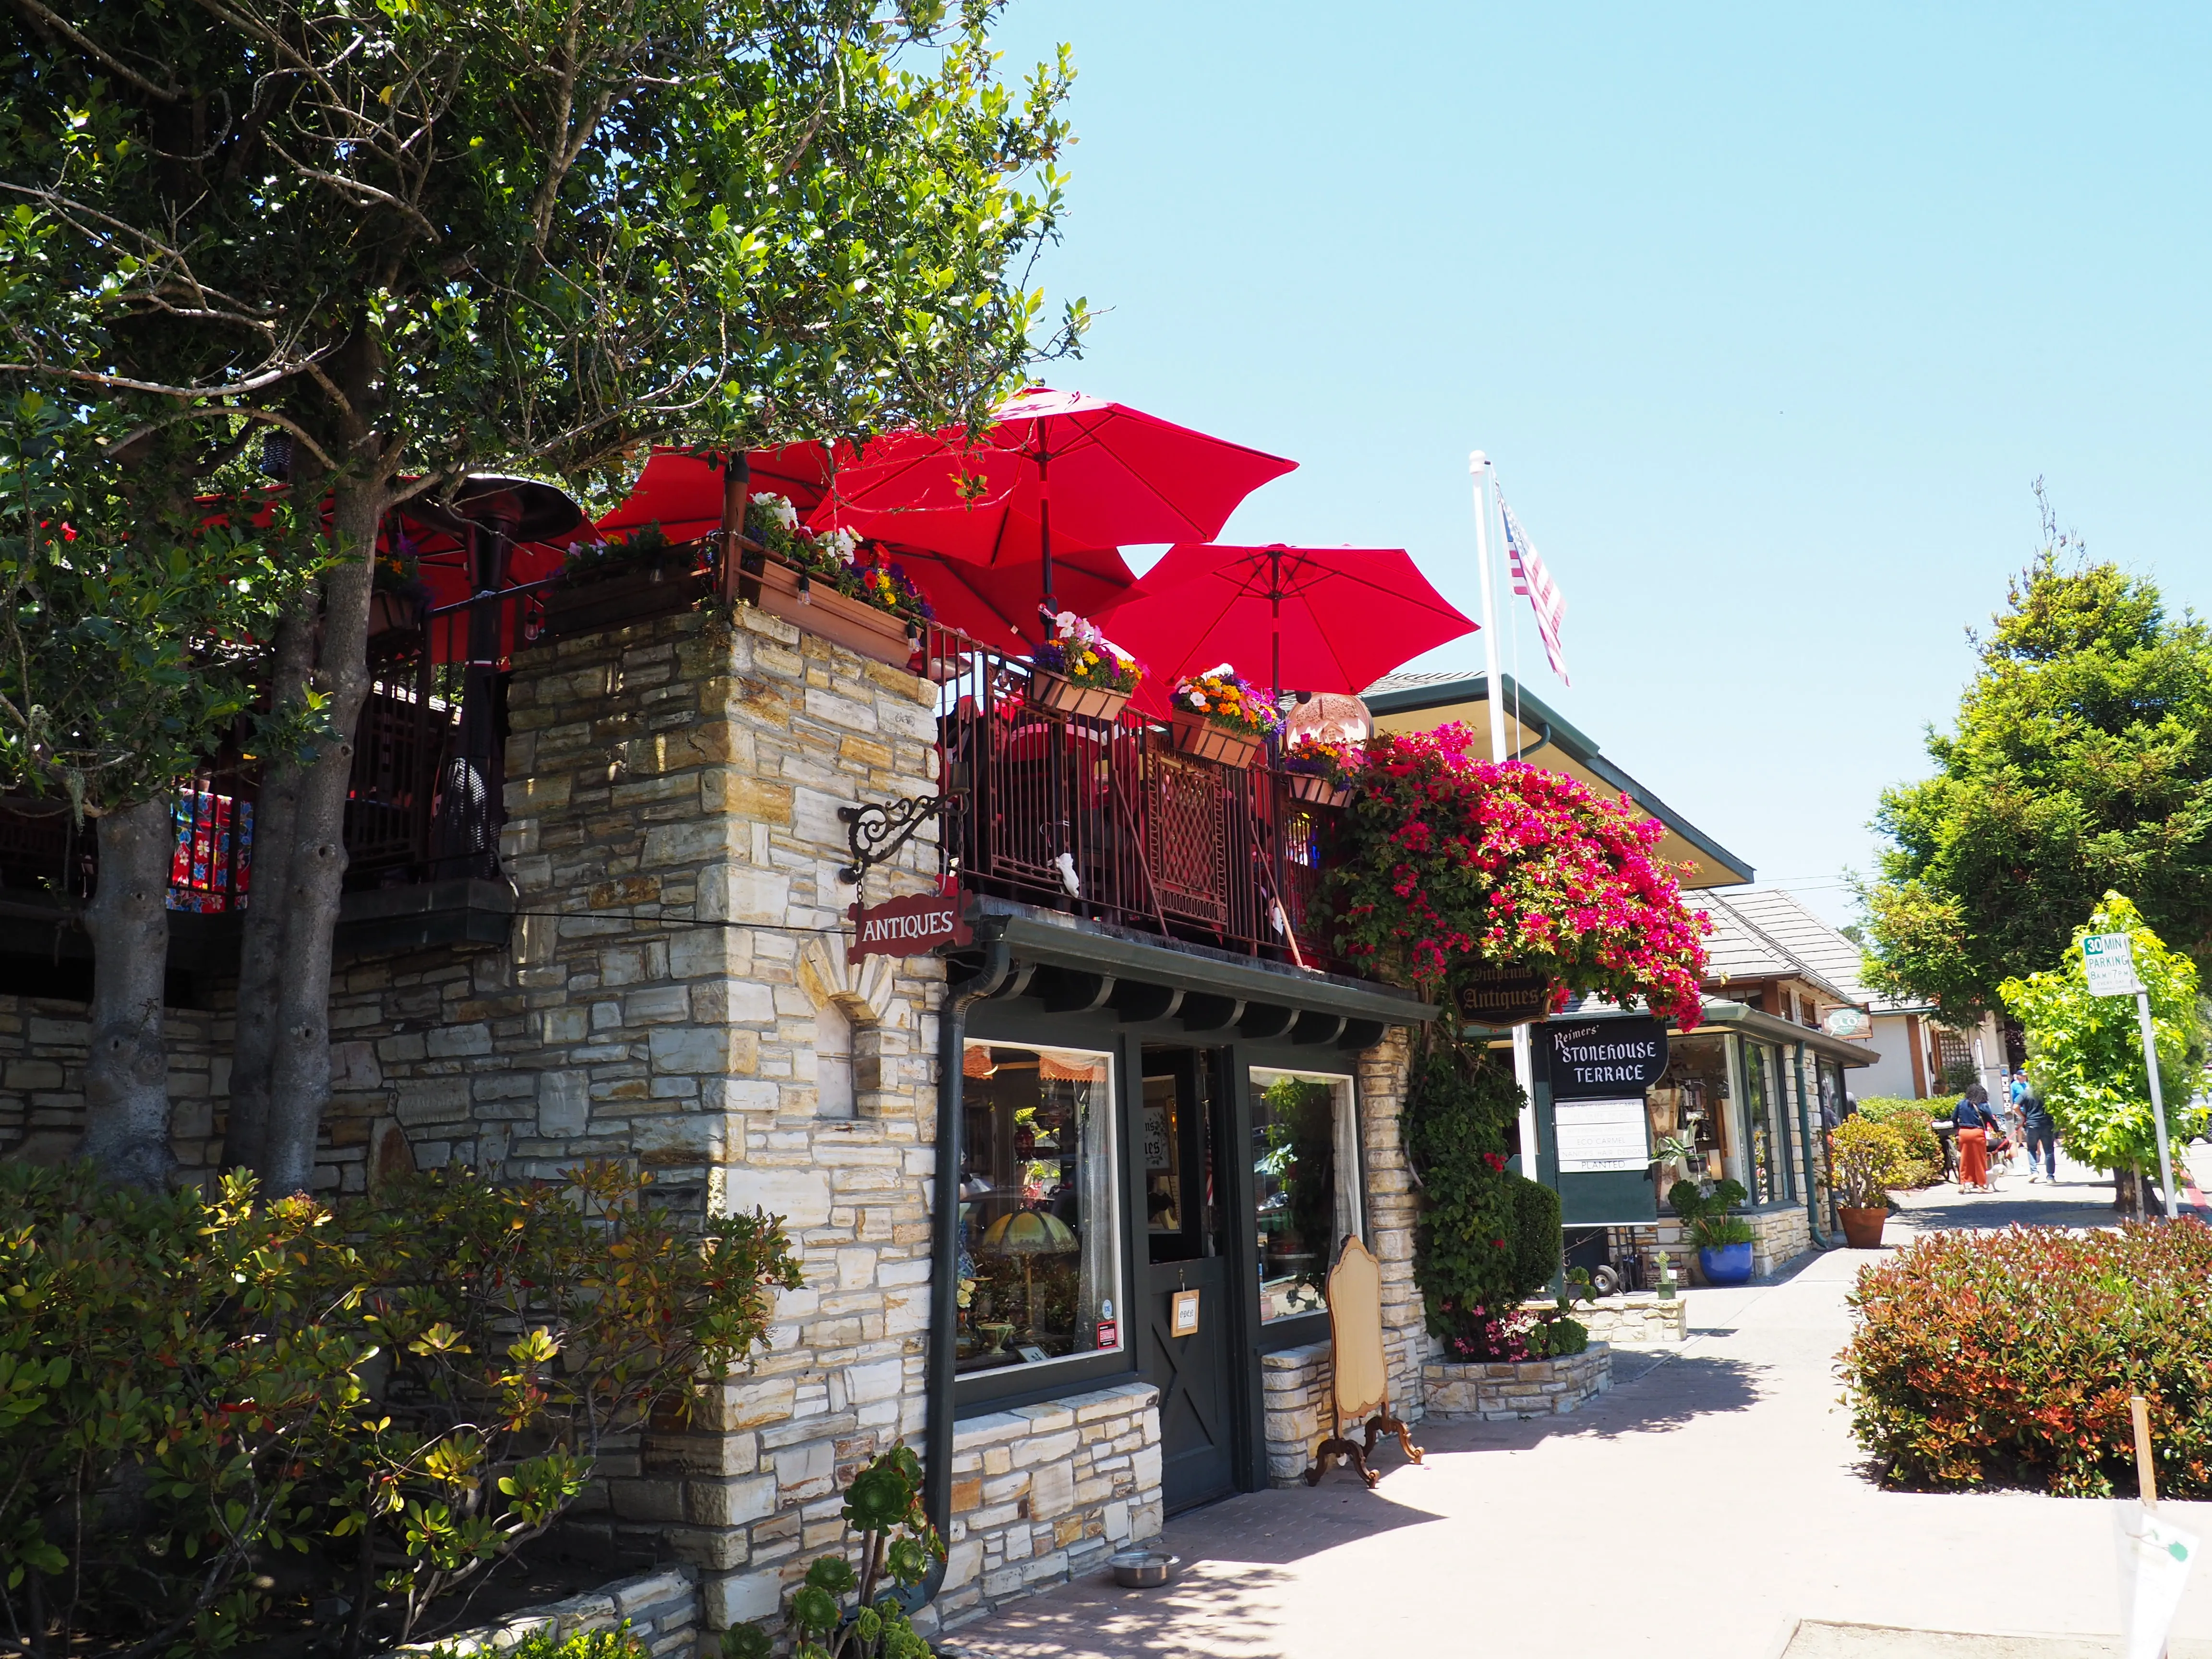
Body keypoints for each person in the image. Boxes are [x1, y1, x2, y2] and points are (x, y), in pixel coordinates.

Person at [1953, 1085, 2000, 1192]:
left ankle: (1963, 1184)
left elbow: (1954, 1118)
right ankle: (1981, 1185)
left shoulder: (1961, 1103)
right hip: (1977, 1133)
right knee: (1979, 1160)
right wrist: (1997, 1130)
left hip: (1963, 1133)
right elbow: (1991, 1119)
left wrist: (1957, 1130)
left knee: (1965, 1159)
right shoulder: (1983, 1105)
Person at [2020, 1080, 2058, 1183]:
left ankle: (2034, 1172)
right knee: (2049, 1151)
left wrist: (2023, 1117)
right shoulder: (2047, 1093)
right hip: (2047, 1124)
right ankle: (2050, 1177)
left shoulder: (2026, 1093)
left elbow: (2015, 1107)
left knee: (2031, 1149)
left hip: (2032, 1124)